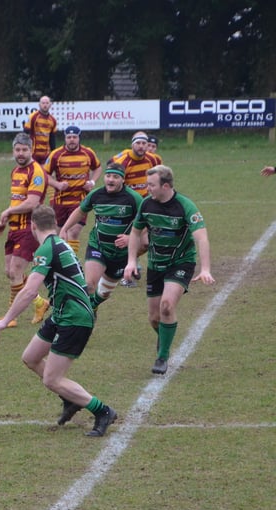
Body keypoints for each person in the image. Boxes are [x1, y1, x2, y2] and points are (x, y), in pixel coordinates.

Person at [0, 205, 117, 437]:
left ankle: (103, 411)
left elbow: (30, 291)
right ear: (55, 225)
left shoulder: (47, 249)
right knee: (31, 358)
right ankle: (70, 400)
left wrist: (6, 319)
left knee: (52, 379)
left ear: (33, 226)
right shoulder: (60, 244)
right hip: (62, 313)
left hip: (75, 317)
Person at [123, 165, 215, 375]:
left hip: (180, 262)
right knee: (154, 318)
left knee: (166, 307)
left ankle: (162, 356)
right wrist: (131, 262)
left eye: (151, 185)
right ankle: (164, 339)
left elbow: (201, 237)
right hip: (156, 263)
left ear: (165, 186)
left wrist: (206, 269)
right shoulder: (146, 205)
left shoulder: (185, 206)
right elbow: (136, 233)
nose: (148, 189)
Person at [60, 162, 143, 313]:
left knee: (103, 294)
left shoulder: (133, 198)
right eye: (108, 176)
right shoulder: (96, 195)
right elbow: (80, 211)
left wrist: (131, 238)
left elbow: (148, 224)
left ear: (123, 180)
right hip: (97, 245)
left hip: (121, 254)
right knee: (90, 285)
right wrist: (65, 228)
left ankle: (93, 306)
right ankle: (87, 317)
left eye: (116, 177)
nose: (111, 180)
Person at [0, 132, 50, 327]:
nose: (21, 153)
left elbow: (33, 202)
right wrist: (4, 220)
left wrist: (8, 210)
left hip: (30, 227)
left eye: (24, 150)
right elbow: (17, 201)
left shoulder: (37, 172)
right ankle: (40, 303)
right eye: (17, 149)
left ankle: (11, 316)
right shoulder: (16, 171)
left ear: (31, 150)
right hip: (14, 227)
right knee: (9, 271)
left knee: (16, 269)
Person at [110, 131, 160, 286]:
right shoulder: (125, 161)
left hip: (145, 207)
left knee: (145, 243)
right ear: (132, 144)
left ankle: (129, 263)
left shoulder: (154, 160)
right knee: (125, 240)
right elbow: (111, 174)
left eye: (144, 143)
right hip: (127, 207)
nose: (141, 146)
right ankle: (125, 273)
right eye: (138, 143)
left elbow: (158, 179)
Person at [43, 125, 102, 256]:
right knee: (59, 235)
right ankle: (58, 262)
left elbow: (98, 168)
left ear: (79, 138)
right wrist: (57, 184)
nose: (72, 140)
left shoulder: (88, 153)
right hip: (60, 201)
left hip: (80, 200)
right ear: (65, 138)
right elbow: (45, 175)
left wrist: (92, 182)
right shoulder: (56, 155)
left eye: (74, 137)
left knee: (73, 232)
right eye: (69, 137)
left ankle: (71, 263)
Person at [23, 96, 57, 164]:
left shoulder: (53, 120)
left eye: (47, 103)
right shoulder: (33, 117)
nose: (45, 105)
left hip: (46, 153)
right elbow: (25, 133)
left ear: (50, 105)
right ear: (39, 104)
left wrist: (53, 153)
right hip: (33, 153)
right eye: (43, 103)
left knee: (44, 173)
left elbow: (52, 138)